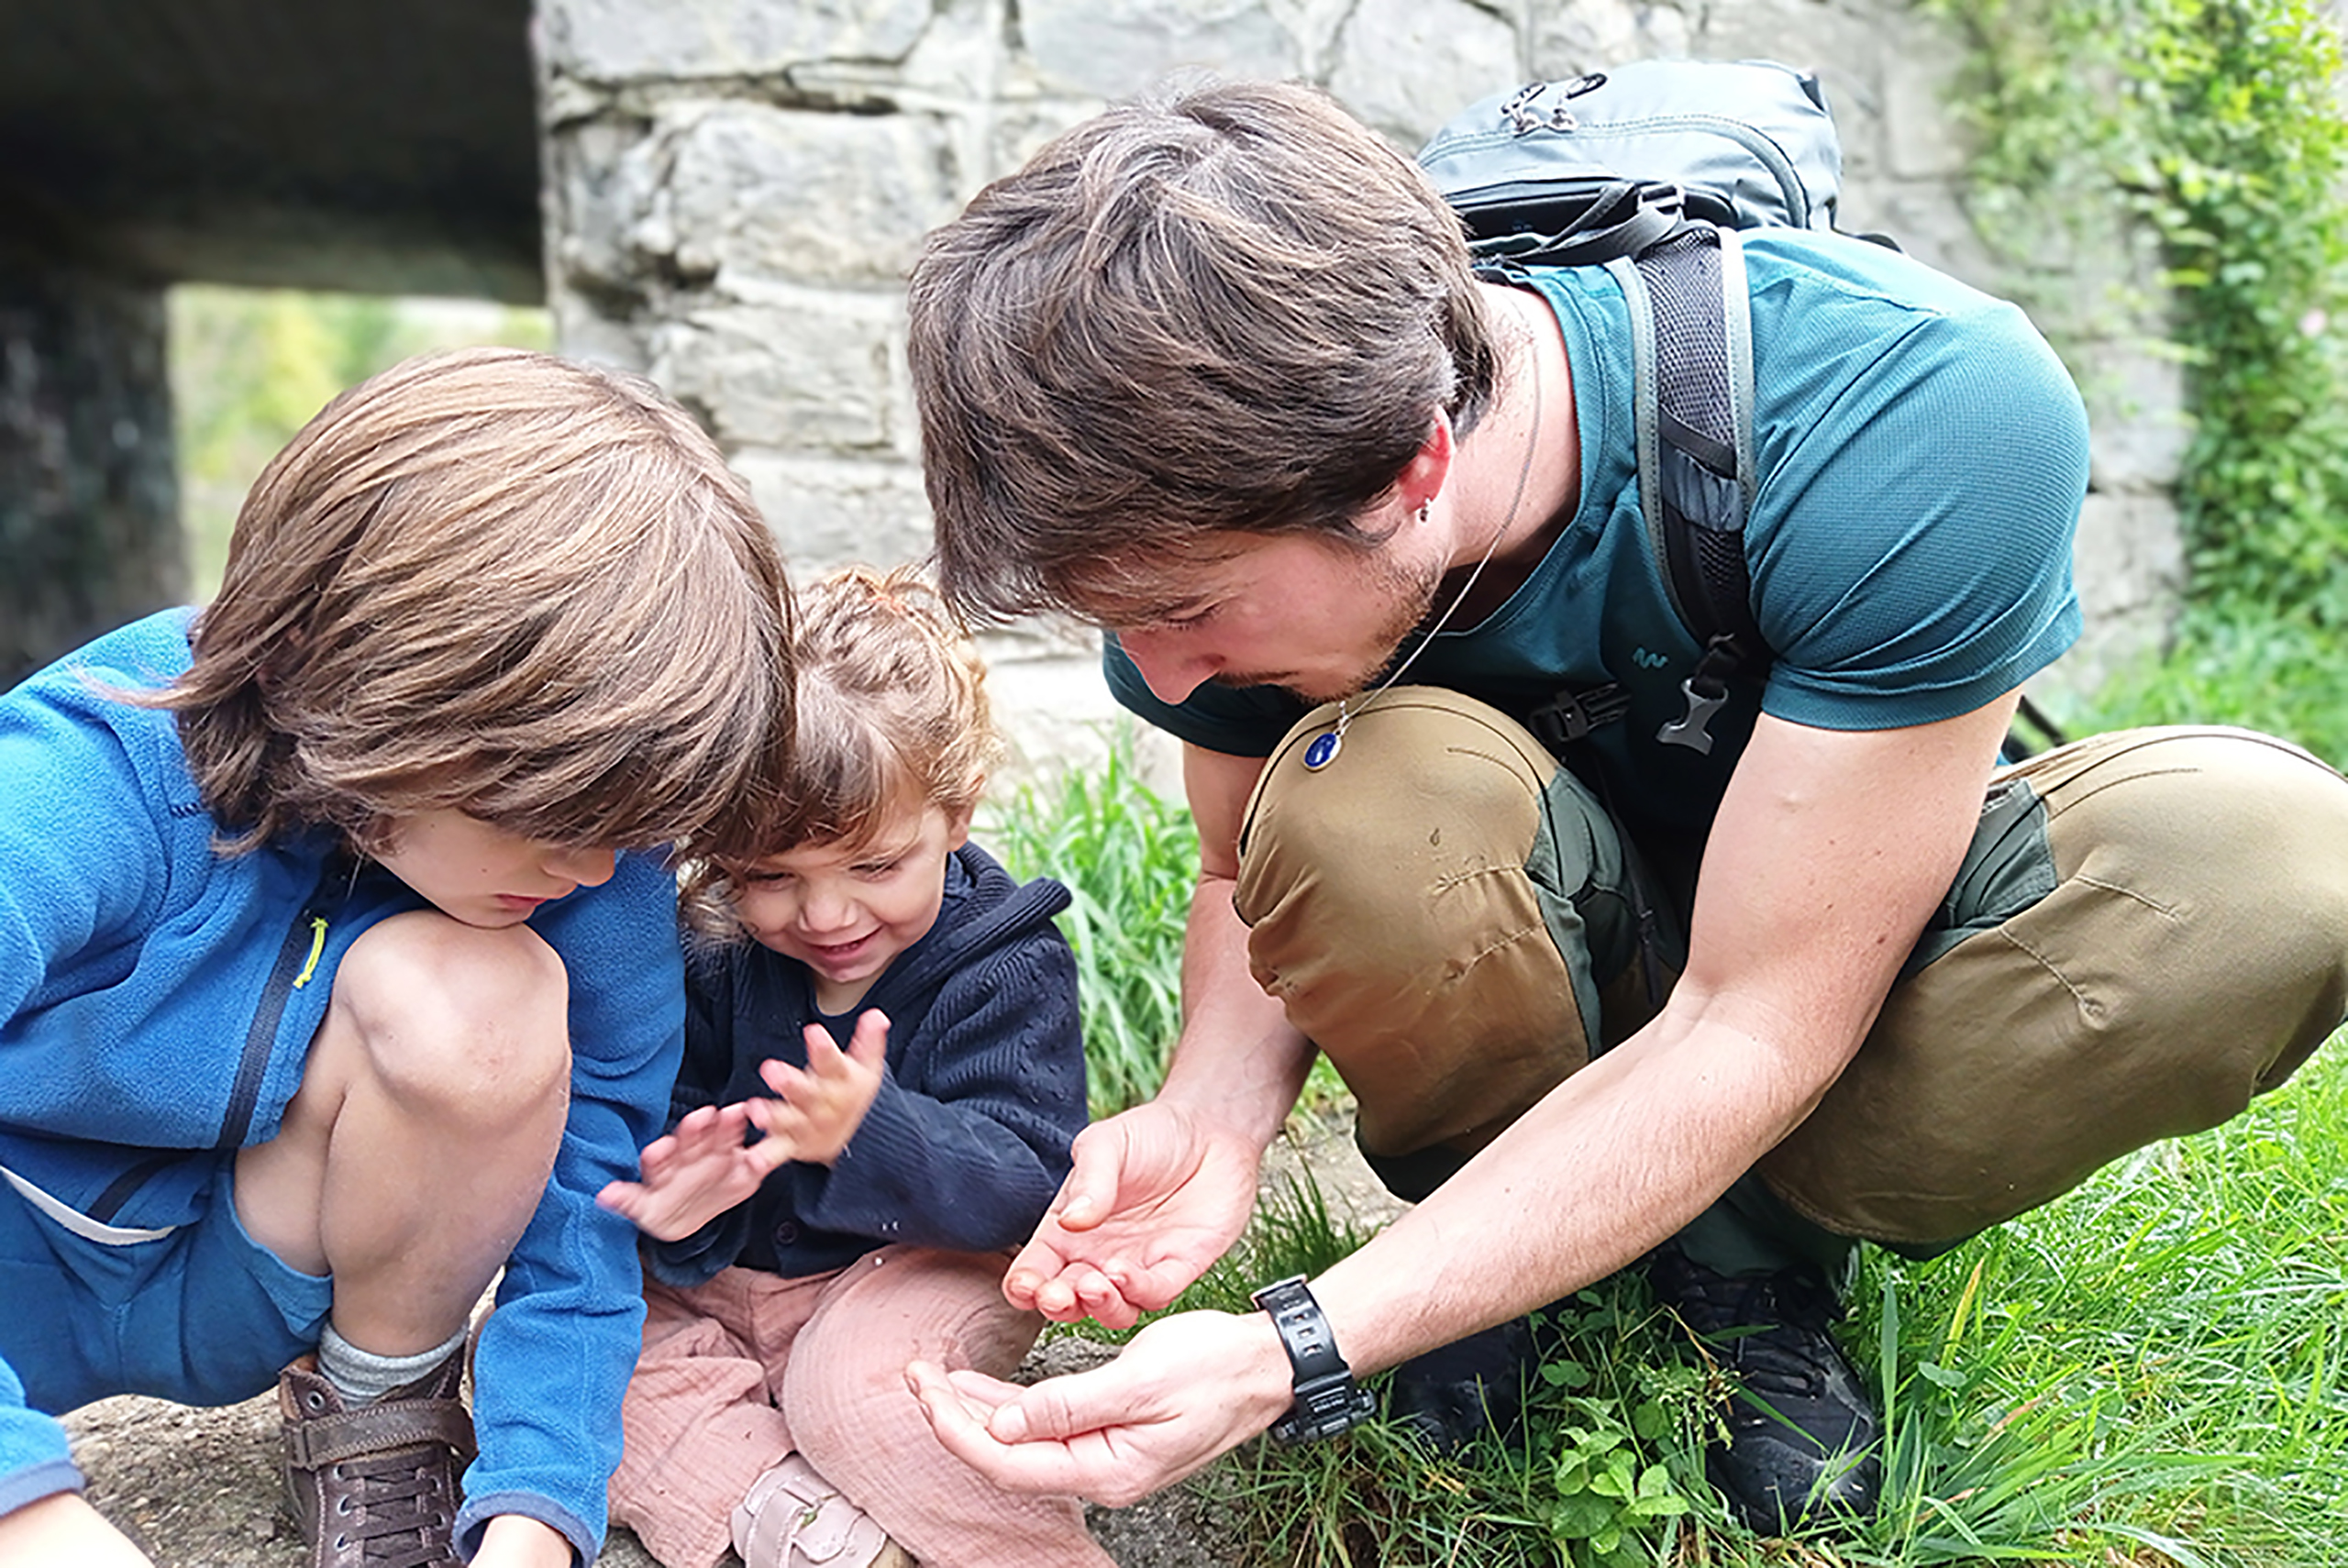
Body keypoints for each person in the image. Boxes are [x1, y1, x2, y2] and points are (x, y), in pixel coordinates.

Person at [894, 77, 2348, 1532]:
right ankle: (1486, 1254)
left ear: (1417, 463)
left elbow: (1758, 1014)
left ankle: (1750, 1270)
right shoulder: (1179, 497)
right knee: (1358, 800)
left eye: (1189, 610)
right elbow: (1236, 868)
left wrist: (1297, 1344)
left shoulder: (1916, 409)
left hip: (1815, 955)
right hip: (1529, 915)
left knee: (2273, 870)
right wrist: (1211, 1117)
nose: (1156, 671)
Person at [0, 347, 796, 1568]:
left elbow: (593, 1209)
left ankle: (383, 1419)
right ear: (368, 683)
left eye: (626, 825)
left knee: (487, 997)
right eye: (552, 815)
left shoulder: (600, 861)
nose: (593, 869)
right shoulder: (81, 778)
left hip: (240, 1277)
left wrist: (537, 1508)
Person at [596, 564, 1110, 1568]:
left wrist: (871, 1132)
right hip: (727, 1286)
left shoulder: (1002, 961)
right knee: (582, 1363)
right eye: (771, 879)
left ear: (954, 816)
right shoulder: (709, 951)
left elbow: (1030, 1188)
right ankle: (820, 1532)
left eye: (874, 866)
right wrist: (678, 1191)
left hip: (907, 1279)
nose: (825, 917)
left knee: (856, 1391)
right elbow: (667, 1116)